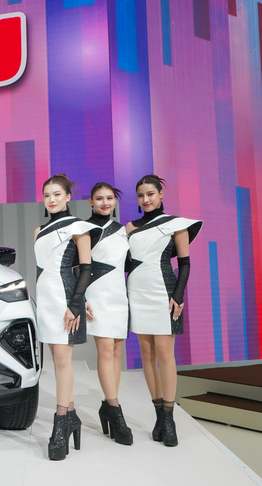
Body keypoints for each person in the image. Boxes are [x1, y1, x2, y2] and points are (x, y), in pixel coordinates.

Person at [126, 175, 201, 447]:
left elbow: (185, 263)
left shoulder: (176, 224)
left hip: (164, 293)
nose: (146, 199)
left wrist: (178, 296)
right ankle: (158, 414)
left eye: (150, 194)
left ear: (160, 194)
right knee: (147, 355)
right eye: (141, 195)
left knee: (165, 354)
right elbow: (126, 262)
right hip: (137, 293)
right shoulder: (129, 228)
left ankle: (169, 419)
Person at [33, 174, 94, 461]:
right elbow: (39, 270)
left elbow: (85, 268)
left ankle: (60, 424)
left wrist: (77, 303)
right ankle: (71, 416)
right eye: (47, 195)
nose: (52, 199)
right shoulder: (38, 231)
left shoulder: (78, 227)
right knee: (56, 362)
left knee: (62, 361)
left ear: (68, 197)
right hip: (45, 299)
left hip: (65, 298)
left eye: (57, 194)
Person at [85, 182, 133, 445]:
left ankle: (107, 403)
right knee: (105, 350)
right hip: (97, 295)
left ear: (115, 201)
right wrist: (81, 298)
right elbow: (75, 266)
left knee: (116, 352)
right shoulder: (85, 229)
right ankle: (115, 411)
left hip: (119, 295)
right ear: (91, 202)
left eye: (110, 198)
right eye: (99, 198)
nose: (105, 203)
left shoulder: (123, 231)